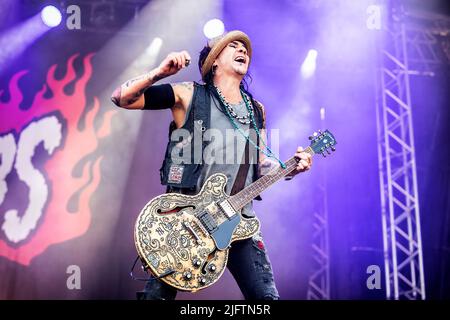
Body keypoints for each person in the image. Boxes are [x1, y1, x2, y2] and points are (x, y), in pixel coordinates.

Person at [111, 30, 312, 300]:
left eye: (245, 48)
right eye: (234, 46)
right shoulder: (187, 94)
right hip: (185, 221)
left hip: (238, 219)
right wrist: (159, 73)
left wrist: (291, 169)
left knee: (266, 298)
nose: (243, 50)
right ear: (214, 61)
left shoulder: (256, 110)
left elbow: (262, 163)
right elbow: (122, 98)